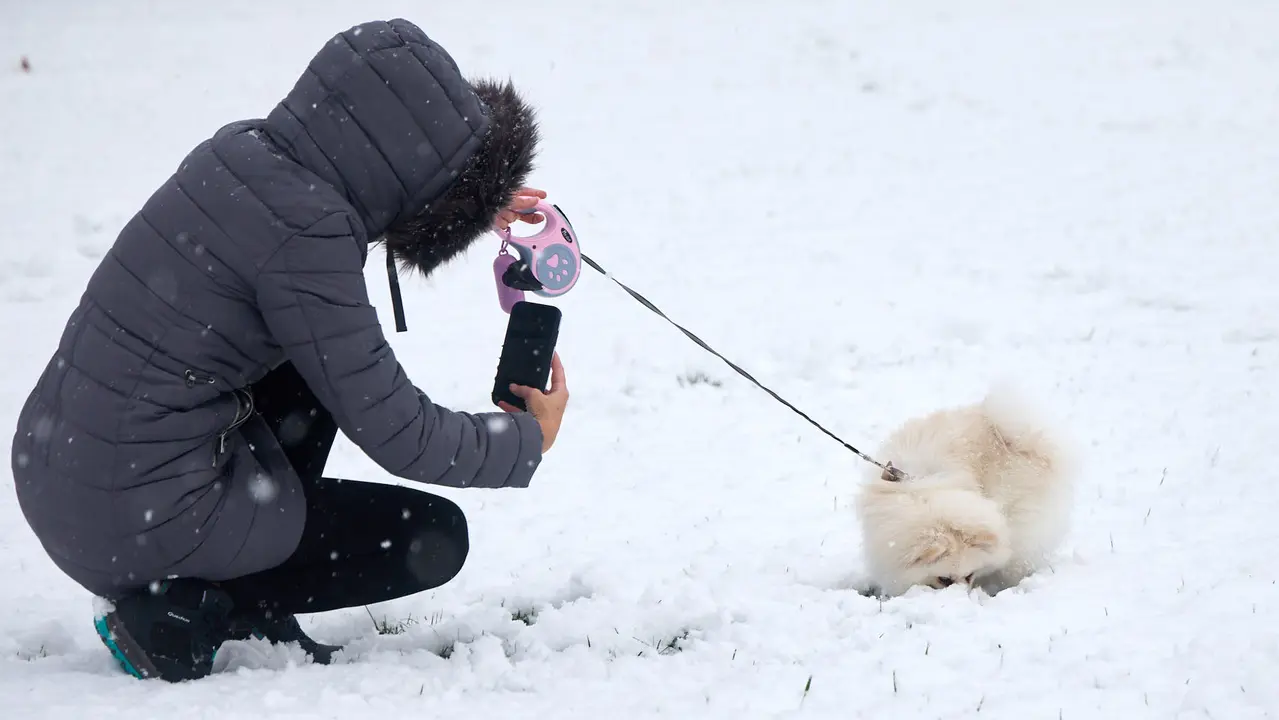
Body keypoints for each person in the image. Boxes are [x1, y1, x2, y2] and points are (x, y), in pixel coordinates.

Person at [8, 18, 569, 682]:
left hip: (60, 475)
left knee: (312, 363)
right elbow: (400, 432)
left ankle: (208, 589)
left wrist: (466, 204)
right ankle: (183, 611)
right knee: (431, 539)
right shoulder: (309, 241)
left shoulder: (241, 154)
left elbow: (315, 233)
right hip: (136, 518)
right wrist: (526, 438)